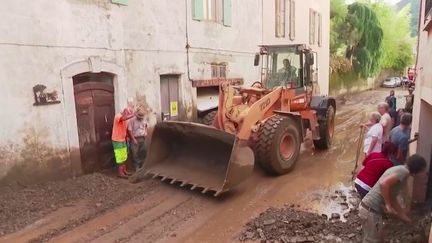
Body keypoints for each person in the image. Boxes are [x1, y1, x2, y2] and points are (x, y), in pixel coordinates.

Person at [359, 154, 427, 243]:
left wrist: (404, 217)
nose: (424, 173)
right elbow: (384, 184)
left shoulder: (400, 170)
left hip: (368, 209)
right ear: (417, 168)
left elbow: (393, 199)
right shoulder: (403, 171)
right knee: (372, 240)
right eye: (423, 170)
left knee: (375, 238)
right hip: (370, 210)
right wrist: (388, 205)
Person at [112, 109, 135, 178]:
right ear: (124, 112)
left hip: (123, 139)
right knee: (119, 157)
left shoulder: (126, 120)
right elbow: (123, 118)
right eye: (128, 113)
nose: (129, 115)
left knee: (124, 156)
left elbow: (126, 129)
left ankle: (124, 171)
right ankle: (120, 173)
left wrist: (129, 137)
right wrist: (133, 115)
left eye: (130, 114)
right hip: (117, 140)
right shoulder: (118, 116)